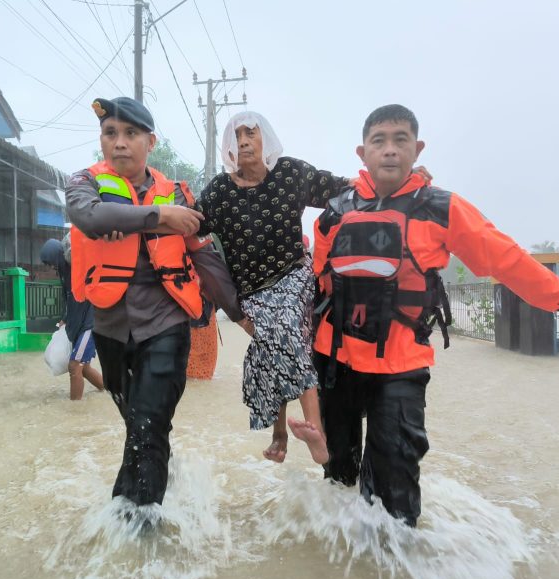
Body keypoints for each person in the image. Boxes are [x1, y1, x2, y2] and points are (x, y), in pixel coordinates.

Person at [312, 104, 559, 526]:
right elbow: (316, 282)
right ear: (363, 153)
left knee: (394, 489)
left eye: (400, 140)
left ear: (417, 148)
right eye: (379, 141)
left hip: (402, 365)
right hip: (335, 362)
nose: (389, 150)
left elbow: (505, 258)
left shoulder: (441, 207)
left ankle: (394, 573)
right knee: (338, 476)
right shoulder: (333, 213)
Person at [66, 96, 251, 511]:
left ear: (151, 141)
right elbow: (91, 219)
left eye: (130, 134)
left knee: (147, 425)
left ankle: (138, 530)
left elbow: (205, 257)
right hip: (111, 329)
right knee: (140, 428)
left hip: (166, 326)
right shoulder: (84, 183)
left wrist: (239, 314)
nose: (119, 143)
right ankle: (158, 490)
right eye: (110, 133)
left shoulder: (179, 195)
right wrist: (160, 217)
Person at [195, 111, 351, 464]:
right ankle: (279, 433)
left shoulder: (290, 174)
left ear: (266, 139)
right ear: (228, 146)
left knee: (281, 331)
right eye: (237, 136)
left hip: (293, 275)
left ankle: (316, 430)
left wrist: (398, 179)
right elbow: (191, 221)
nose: (245, 141)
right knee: (270, 345)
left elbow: (342, 186)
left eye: (252, 133)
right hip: (250, 292)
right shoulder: (220, 191)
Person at [40, 233, 104, 400]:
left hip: (90, 324)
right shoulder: (63, 275)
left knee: (75, 366)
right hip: (77, 324)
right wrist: (64, 319)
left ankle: (74, 410)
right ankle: (110, 392)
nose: (51, 268)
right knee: (85, 368)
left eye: (52, 263)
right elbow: (68, 299)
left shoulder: (76, 267)